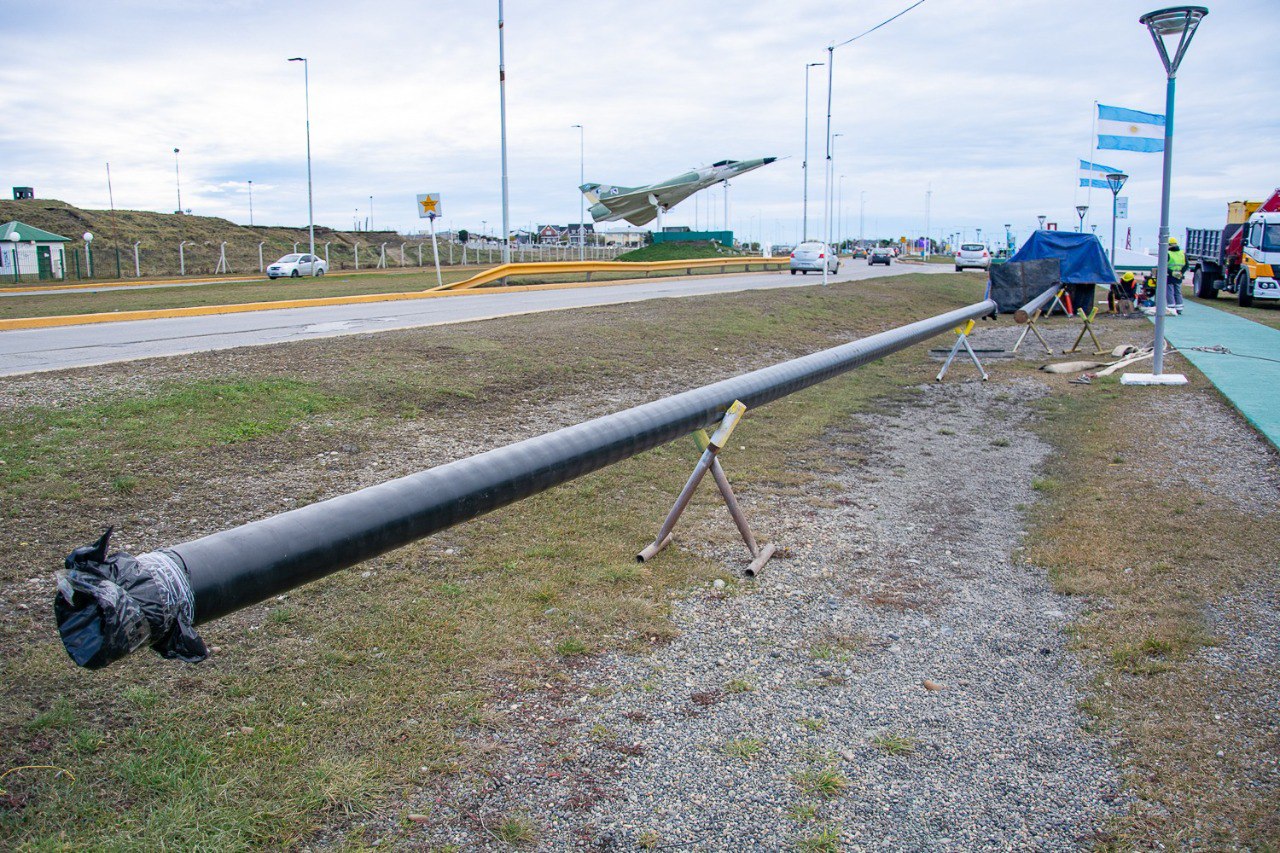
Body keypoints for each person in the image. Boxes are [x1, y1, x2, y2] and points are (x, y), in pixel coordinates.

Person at [1166, 236, 1187, 314]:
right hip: (1179, 275)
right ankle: (1179, 308)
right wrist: (1181, 272)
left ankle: (1171, 308)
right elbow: (1186, 265)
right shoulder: (1182, 253)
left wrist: (1172, 272)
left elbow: (1164, 265)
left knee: (1169, 291)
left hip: (1170, 275)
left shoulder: (1168, 253)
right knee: (1177, 291)